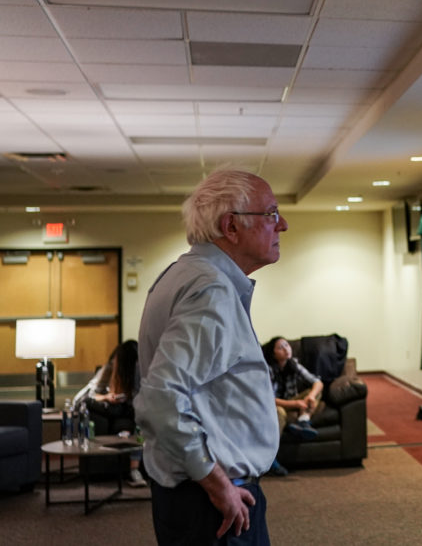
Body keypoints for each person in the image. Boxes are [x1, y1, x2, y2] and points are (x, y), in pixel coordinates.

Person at [135, 169, 288, 546]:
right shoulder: (210, 290)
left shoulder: (181, 274)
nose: (282, 224)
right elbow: (160, 400)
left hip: (194, 496)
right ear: (231, 226)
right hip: (214, 504)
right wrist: (218, 484)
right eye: (270, 214)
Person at [73, 340, 146, 487]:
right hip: (110, 409)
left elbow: (141, 398)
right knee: (90, 405)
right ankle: (131, 469)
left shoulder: (139, 370)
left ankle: (133, 468)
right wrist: (107, 397)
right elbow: (83, 397)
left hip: (129, 411)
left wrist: (128, 397)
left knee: (132, 424)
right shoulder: (109, 369)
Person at [261, 337, 324, 476]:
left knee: (314, 392)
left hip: (293, 402)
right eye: (280, 347)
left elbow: (317, 382)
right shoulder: (268, 369)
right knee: (279, 413)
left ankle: (303, 421)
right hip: (277, 405)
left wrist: (311, 396)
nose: (286, 349)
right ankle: (271, 459)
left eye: (287, 345)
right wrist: (295, 404)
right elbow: (267, 399)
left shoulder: (293, 364)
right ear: (273, 354)